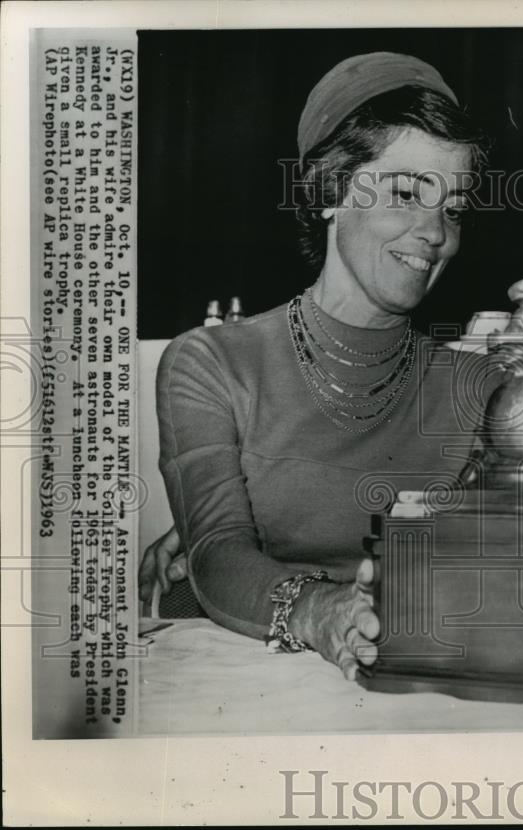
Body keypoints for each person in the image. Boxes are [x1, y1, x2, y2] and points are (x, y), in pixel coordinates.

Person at [146, 53, 493, 679]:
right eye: (405, 193)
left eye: (455, 207)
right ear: (331, 192)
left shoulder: (478, 388)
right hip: (241, 679)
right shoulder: (211, 363)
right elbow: (219, 554)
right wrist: (324, 612)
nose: (436, 232)